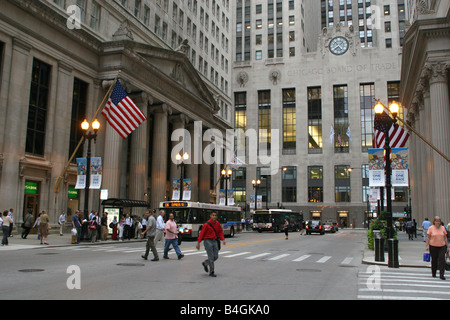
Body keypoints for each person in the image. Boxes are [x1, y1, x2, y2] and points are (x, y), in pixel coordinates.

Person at [196, 212, 226, 277]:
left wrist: (223, 239)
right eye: (213, 215)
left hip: (215, 241)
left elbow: (220, 232)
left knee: (216, 256)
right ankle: (211, 272)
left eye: (215, 215)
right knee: (211, 257)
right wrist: (198, 243)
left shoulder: (217, 223)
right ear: (210, 216)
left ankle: (205, 263)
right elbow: (202, 234)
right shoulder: (206, 224)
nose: (214, 216)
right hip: (207, 241)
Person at [425, 216, 448, 280]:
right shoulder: (431, 228)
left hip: (442, 246)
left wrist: (447, 246)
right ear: (434, 222)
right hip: (433, 246)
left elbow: (445, 238)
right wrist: (427, 246)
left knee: (442, 260)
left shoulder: (443, 228)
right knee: (434, 260)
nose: (438, 223)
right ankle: (434, 272)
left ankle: (441, 275)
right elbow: (428, 237)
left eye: (439, 221)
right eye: (436, 221)